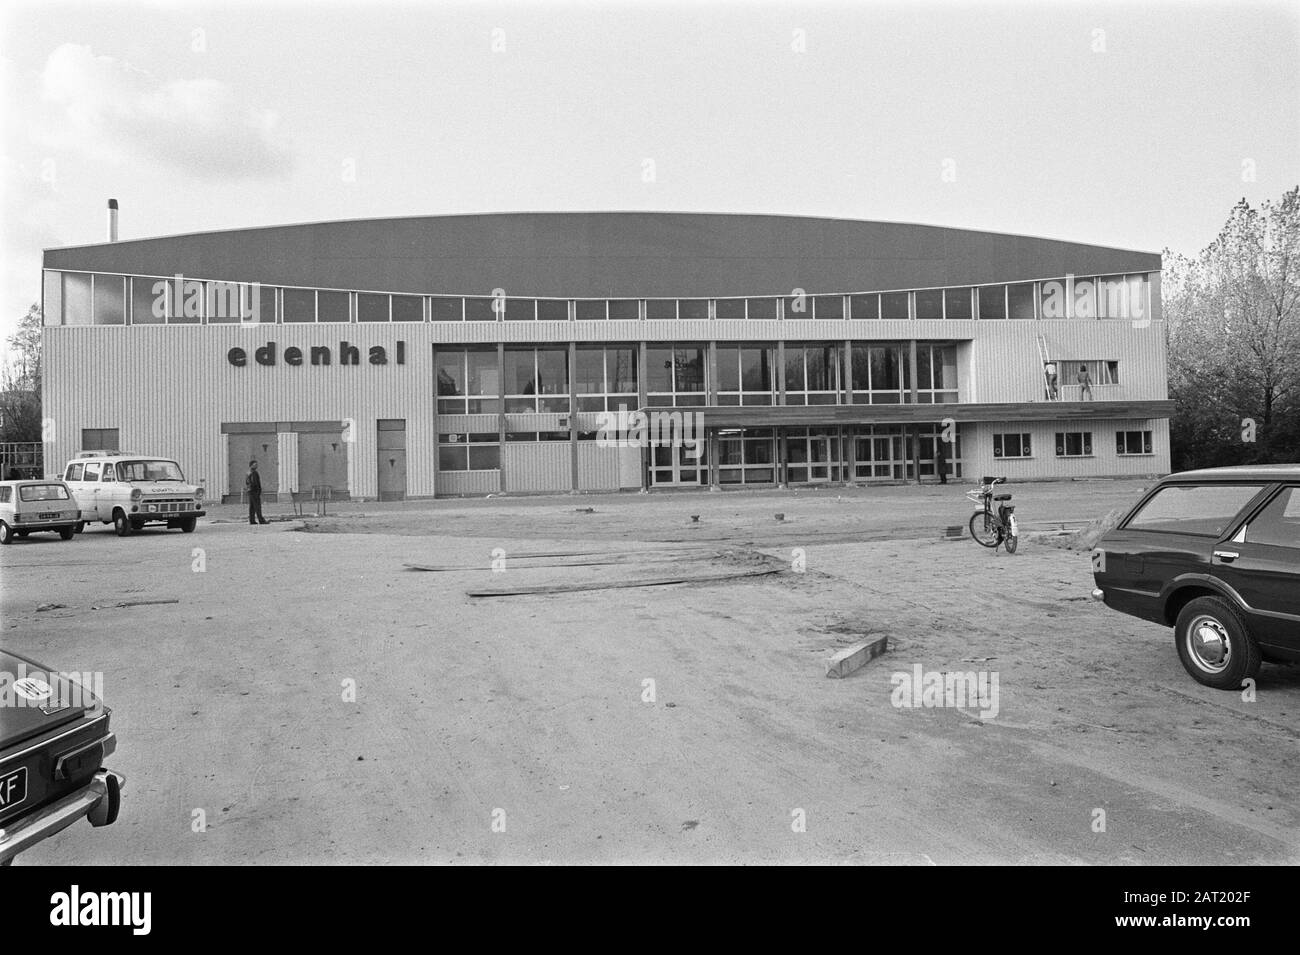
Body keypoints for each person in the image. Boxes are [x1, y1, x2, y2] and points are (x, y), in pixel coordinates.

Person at [245, 460, 269, 525]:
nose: (256, 466)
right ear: (251, 465)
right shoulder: (254, 473)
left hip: (250, 491)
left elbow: (247, 482)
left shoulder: (248, 472)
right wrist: (258, 491)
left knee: (252, 507)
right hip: (254, 491)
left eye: (256, 465)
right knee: (257, 506)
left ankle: (252, 520)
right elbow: (255, 483)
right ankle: (261, 520)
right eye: (255, 465)